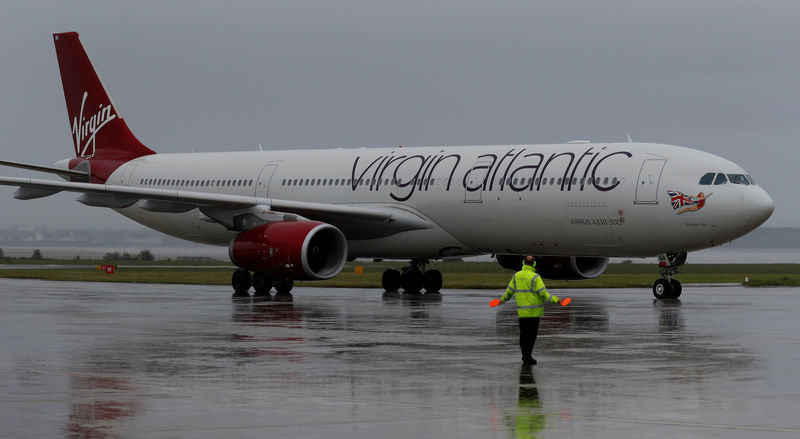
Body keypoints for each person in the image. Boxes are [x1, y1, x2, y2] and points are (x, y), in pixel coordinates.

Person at [498, 256, 563, 365]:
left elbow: (509, 292)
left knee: (523, 335)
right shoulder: (535, 277)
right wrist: (557, 300)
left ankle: (524, 355)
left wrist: (502, 300)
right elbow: (543, 294)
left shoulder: (516, 276)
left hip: (522, 313)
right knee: (531, 336)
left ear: (524, 262)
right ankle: (528, 356)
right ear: (534, 264)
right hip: (534, 313)